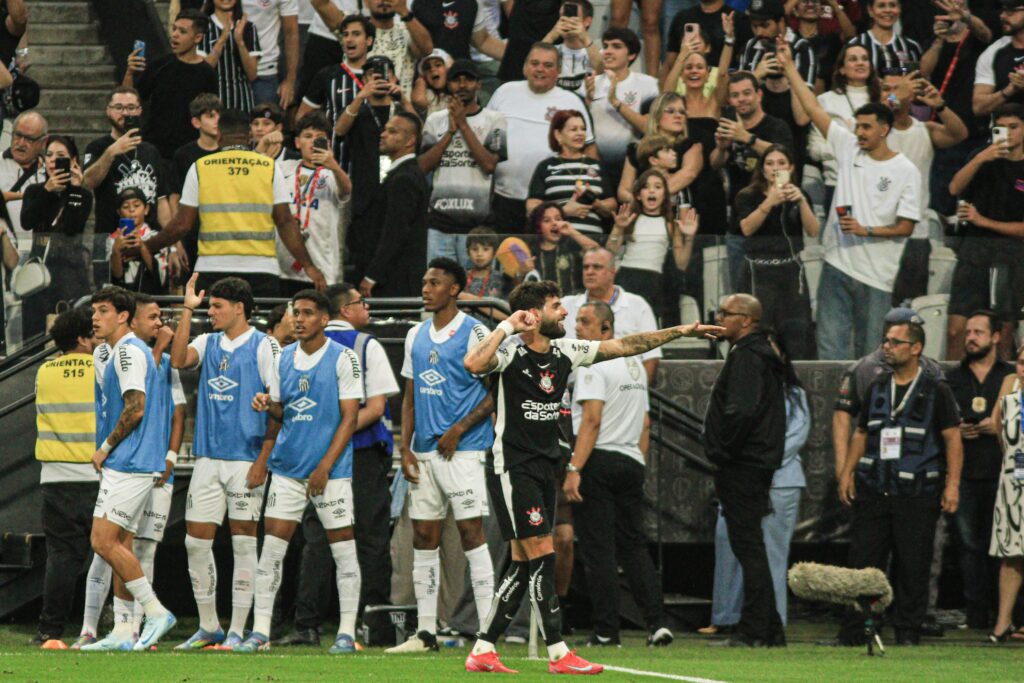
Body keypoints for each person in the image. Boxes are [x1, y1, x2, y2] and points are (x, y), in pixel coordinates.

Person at [462, 280, 722, 674]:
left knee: (521, 563)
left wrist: (682, 331)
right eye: (556, 306)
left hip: (542, 468)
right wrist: (507, 326)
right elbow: (473, 364)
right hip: (513, 468)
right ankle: (558, 654)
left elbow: (625, 346)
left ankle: (482, 649)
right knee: (543, 556)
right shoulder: (510, 354)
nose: (565, 312)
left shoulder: (566, 351)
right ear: (533, 315)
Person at [274, 283, 401, 647]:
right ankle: (372, 624)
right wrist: (334, 435)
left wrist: (323, 436)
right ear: (345, 310)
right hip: (357, 454)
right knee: (368, 538)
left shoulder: (304, 348)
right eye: (361, 303)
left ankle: (308, 624)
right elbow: (376, 409)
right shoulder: (365, 344)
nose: (367, 309)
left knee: (317, 540)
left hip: (318, 455)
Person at [242, 289, 365, 654]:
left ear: (324, 319)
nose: (298, 318)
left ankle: (345, 633)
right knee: (272, 553)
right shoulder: (283, 358)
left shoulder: (344, 358)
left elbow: (350, 417)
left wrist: (325, 465)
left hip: (331, 472)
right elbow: (282, 412)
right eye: (295, 312)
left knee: (343, 552)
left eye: (307, 313)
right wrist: (267, 405)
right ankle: (260, 632)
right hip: (287, 469)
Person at [781, 43, 921, 361]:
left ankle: (865, 411)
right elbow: (814, 111)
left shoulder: (905, 170)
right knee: (830, 347)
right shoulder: (848, 148)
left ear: (885, 130)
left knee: (872, 353)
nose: (859, 133)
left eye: (867, 128)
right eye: (857, 127)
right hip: (837, 263)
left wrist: (864, 229)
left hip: (877, 274)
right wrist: (790, 68)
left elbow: (906, 227)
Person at [386, 258, 496, 653]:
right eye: (424, 281)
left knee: (471, 534)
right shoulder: (415, 334)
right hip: (424, 452)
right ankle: (426, 632)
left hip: (463, 451)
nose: (426, 288)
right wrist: (406, 447)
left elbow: (493, 393)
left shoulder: (475, 332)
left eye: (435, 282)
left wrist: (459, 428)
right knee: (423, 536)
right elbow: (410, 396)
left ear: (454, 290)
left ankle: (487, 633)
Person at [835, 316, 962, 646]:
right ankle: (858, 629)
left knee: (913, 565)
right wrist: (847, 473)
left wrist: (952, 485)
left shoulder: (937, 390)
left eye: (895, 342)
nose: (886, 348)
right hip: (875, 487)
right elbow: (861, 433)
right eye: (886, 341)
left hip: (917, 492)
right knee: (864, 563)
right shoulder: (878, 386)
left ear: (916, 348)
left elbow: (952, 439)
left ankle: (907, 631)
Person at [169, 274, 280, 650]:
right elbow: (180, 359)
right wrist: (187, 310)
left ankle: (238, 629)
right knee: (195, 544)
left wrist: (263, 459)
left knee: (244, 545)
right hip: (207, 459)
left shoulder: (265, 346)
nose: (210, 312)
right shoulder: (208, 341)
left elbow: (278, 409)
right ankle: (209, 626)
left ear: (239, 308)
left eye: (217, 306)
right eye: (209, 305)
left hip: (246, 459)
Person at [76, 294, 186, 650]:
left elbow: (135, 409)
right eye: (93, 311)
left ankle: (155, 612)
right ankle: (124, 630)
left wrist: (105, 447)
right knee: (122, 543)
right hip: (129, 461)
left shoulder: (127, 351)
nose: (95, 317)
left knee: (102, 541)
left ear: (123, 317)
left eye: (103, 311)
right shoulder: (111, 352)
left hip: (130, 461)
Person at [563, 301, 674, 647]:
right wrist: (638, 461)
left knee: (599, 551)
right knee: (634, 547)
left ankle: (607, 631)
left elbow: (592, 421)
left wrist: (574, 469)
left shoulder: (594, 363)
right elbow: (644, 422)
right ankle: (657, 623)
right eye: (577, 321)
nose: (577, 327)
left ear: (606, 330)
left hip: (597, 461)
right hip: (630, 460)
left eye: (585, 322)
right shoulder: (635, 365)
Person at [136, 108, 326, 296]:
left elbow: (181, 225)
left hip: (212, 269)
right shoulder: (269, 168)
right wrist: (309, 266)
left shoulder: (201, 168)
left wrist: (147, 245)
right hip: (261, 270)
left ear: (219, 134)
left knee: (212, 325)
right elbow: (285, 221)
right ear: (249, 135)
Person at [701, 327, 809, 635]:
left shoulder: (792, 392)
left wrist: (756, 463)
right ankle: (728, 618)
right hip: (745, 474)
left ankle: (770, 622)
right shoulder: (746, 377)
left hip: (775, 478)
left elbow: (793, 438)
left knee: (768, 554)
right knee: (733, 548)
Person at [33, 307, 97, 646]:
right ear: (84, 338)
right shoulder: (103, 368)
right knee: (111, 553)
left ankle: (49, 629)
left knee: (61, 557)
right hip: (99, 473)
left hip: (56, 476)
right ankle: (115, 625)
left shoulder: (44, 372)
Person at [946, 310, 1013, 631]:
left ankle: (1008, 616)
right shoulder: (952, 377)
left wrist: (997, 427)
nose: (970, 337)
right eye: (968, 331)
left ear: (996, 336)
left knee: (1006, 547)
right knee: (970, 547)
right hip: (967, 473)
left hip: (1006, 474)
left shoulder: (1011, 376)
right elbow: (941, 425)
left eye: (978, 332)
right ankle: (976, 616)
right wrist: (957, 430)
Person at [487, 42, 595, 233]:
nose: (540, 69)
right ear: (525, 66)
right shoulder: (504, 92)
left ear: (559, 70)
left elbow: (589, 152)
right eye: (535, 63)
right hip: (503, 198)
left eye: (548, 65)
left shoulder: (571, 101)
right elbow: (485, 141)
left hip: (551, 205)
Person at [884, 68, 968, 304]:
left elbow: (959, 133)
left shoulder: (925, 130)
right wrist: (895, 95)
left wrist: (939, 106)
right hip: (878, 232)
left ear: (911, 96)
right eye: (887, 89)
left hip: (916, 233)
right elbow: (885, 105)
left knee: (910, 305)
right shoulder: (873, 131)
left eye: (898, 89)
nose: (892, 94)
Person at [831, 307, 946, 480]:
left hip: (920, 461)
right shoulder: (864, 369)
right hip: (876, 461)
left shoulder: (931, 369)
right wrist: (843, 468)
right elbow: (842, 417)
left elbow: (948, 427)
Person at [947, 105, 1024, 359]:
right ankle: (955, 393)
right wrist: (981, 158)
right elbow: (954, 188)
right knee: (957, 332)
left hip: (1011, 256)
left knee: (1002, 334)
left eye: (1014, 127)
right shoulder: (981, 159)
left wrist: (983, 221)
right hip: (974, 252)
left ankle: (1002, 394)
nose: (1008, 134)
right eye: (1001, 128)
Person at [709, 72, 795, 289]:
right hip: (739, 227)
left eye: (747, 93)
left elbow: (785, 156)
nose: (742, 99)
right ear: (729, 100)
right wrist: (722, 147)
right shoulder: (728, 127)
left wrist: (746, 137)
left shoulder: (777, 126)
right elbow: (715, 164)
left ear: (759, 94)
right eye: (735, 95)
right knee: (740, 299)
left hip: (776, 230)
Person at [419, 58, 507, 265]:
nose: (462, 84)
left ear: (479, 84)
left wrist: (463, 124)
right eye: (456, 80)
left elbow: (489, 165)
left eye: (468, 80)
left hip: (477, 225)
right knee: (439, 285)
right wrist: (450, 131)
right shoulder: (435, 120)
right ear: (448, 84)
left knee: (475, 291)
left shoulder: (494, 119)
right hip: (439, 223)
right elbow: (423, 166)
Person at [735, 144, 818, 359]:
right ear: (763, 170)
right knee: (759, 330)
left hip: (790, 270)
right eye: (770, 163)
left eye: (781, 163)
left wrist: (801, 201)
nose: (775, 168)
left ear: (790, 168)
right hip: (758, 270)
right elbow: (746, 228)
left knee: (796, 331)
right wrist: (769, 202)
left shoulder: (799, 195)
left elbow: (813, 230)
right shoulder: (748, 195)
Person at [19, 135, 93, 340]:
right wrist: (48, 191)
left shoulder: (83, 195)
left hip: (70, 273)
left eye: (61, 156)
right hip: (40, 273)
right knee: (34, 336)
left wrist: (76, 189)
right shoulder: (35, 191)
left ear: (74, 161)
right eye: (49, 155)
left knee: (70, 335)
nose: (53, 161)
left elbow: (71, 227)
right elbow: (27, 221)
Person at [123, 9, 219, 159]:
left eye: (182, 31)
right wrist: (129, 73)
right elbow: (129, 99)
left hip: (188, 152)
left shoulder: (207, 74)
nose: (174, 34)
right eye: (174, 29)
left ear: (197, 37)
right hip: (154, 149)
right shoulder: (160, 65)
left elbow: (212, 115)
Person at [562, 247, 663, 384]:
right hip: (573, 393)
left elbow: (651, 358)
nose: (589, 272)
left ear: (612, 271)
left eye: (597, 267)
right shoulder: (565, 306)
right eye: (586, 267)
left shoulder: (637, 305)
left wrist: (639, 394)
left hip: (623, 392)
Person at [277, 111, 352, 294]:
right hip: (284, 268)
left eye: (319, 138)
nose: (312, 142)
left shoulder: (332, 174)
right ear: (297, 142)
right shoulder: (283, 168)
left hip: (321, 267)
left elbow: (346, 190)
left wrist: (332, 164)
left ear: (327, 143)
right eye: (307, 136)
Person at [356, 111, 429, 298]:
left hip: (395, 282)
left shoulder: (404, 179)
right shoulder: (404, 174)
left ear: (410, 140)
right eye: (385, 130)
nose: (383, 134)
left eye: (392, 131)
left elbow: (395, 232)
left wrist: (373, 275)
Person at [81, 86, 172, 236]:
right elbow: (88, 182)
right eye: (118, 107)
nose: (125, 113)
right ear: (108, 111)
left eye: (131, 107)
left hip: (150, 237)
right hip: (110, 236)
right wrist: (111, 152)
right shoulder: (97, 147)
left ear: (139, 111)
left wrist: (173, 242)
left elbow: (162, 201)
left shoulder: (150, 150)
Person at [606, 169, 698, 316]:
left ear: (664, 195)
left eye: (657, 187)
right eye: (646, 187)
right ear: (638, 195)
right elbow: (609, 251)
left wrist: (689, 237)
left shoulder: (670, 225)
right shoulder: (630, 219)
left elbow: (681, 263)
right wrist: (618, 228)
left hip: (653, 282)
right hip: (626, 277)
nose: (651, 191)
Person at [805, 43, 881, 212]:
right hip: (838, 185)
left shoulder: (883, 99)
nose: (860, 63)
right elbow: (814, 149)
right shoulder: (826, 101)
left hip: (878, 185)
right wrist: (845, 149)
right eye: (853, 59)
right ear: (842, 69)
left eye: (865, 59)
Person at [585, 27, 659, 192]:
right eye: (606, 46)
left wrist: (616, 103)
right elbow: (579, 128)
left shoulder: (649, 85)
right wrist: (588, 100)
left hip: (633, 167)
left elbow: (650, 127)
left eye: (616, 46)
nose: (608, 51)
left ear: (631, 55)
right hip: (596, 166)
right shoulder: (590, 83)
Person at [526, 109, 616, 237]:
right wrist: (562, 212)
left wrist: (596, 203)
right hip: (557, 241)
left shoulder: (596, 165)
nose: (580, 133)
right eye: (573, 129)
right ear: (558, 135)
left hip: (591, 243)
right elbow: (531, 208)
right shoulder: (546, 167)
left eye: (583, 129)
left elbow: (612, 206)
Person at [297, 15, 375, 161]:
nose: (349, 39)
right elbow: (302, 117)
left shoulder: (379, 74)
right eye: (345, 35)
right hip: (335, 159)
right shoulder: (327, 75)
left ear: (369, 40)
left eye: (356, 34)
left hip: (371, 157)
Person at [988, 340, 1024, 642]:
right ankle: (1003, 623)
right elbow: (998, 430)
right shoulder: (1010, 394)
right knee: (1011, 554)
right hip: (1013, 482)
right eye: (1021, 362)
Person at [198, 0, 262, 112]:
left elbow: (252, 74)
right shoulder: (202, 27)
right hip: (211, 105)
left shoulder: (248, 27)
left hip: (242, 103)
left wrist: (240, 42)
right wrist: (222, 40)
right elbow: (203, 71)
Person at [108, 187, 173, 294]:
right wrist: (116, 251)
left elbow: (161, 277)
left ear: (146, 209)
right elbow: (115, 276)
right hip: (123, 296)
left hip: (150, 296)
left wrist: (142, 248)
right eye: (125, 206)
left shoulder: (156, 237)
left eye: (136, 205)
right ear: (119, 213)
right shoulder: (112, 239)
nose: (132, 210)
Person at [528, 201, 600, 296]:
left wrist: (571, 231)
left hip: (573, 305)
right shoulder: (530, 253)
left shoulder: (572, 246)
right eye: (547, 220)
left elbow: (597, 252)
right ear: (538, 226)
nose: (554, 223)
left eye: (558, 219)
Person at [363, 0, 433, 95]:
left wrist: (405, 12)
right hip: (365, 106)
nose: (384, 1)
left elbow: (427, 50)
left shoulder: (407, 30)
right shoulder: (355, 32)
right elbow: (335, 21)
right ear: (366, 2)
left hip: (402, 106)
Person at [0, 110, 47, 250]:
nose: (21, 143)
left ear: (43, 142)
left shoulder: (50, 172)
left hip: (38, 253)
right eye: (18, 135)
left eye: (29, 139)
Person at [241, 0, 300, 107]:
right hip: (228, 71)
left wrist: (290, 81)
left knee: (266, 121)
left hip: (265, 71)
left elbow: (291, 32)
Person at [971, 0, 1024, 117]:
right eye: (1003, 10)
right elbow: (978, 107)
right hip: (1005, 131)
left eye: (1011, 11)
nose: (1002, 16)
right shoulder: (993, 52)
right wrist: (1010, 90)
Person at [412, 0, 505, 62]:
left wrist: (515, 57)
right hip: (428, 74)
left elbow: (483, 41)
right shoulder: (412, 3)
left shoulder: (472, 3)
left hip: (460, 74)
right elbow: (413, 50)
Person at [542, 0, 602, 93]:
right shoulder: (551, 51)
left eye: (573, 16)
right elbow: (532, 64)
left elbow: (601, 69)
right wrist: (552, 35)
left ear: (587, 21)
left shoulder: (598, 51)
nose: (567, 20)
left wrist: (585, 37)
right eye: (563, 16)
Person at [847, 0, 922, 74]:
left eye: (893, 5)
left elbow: (914, 75)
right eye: (881, 6)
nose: (888, 10)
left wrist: (894, 75)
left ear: (899, 9)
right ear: (870, 10)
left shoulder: (911, 46)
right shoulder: (855, 43)